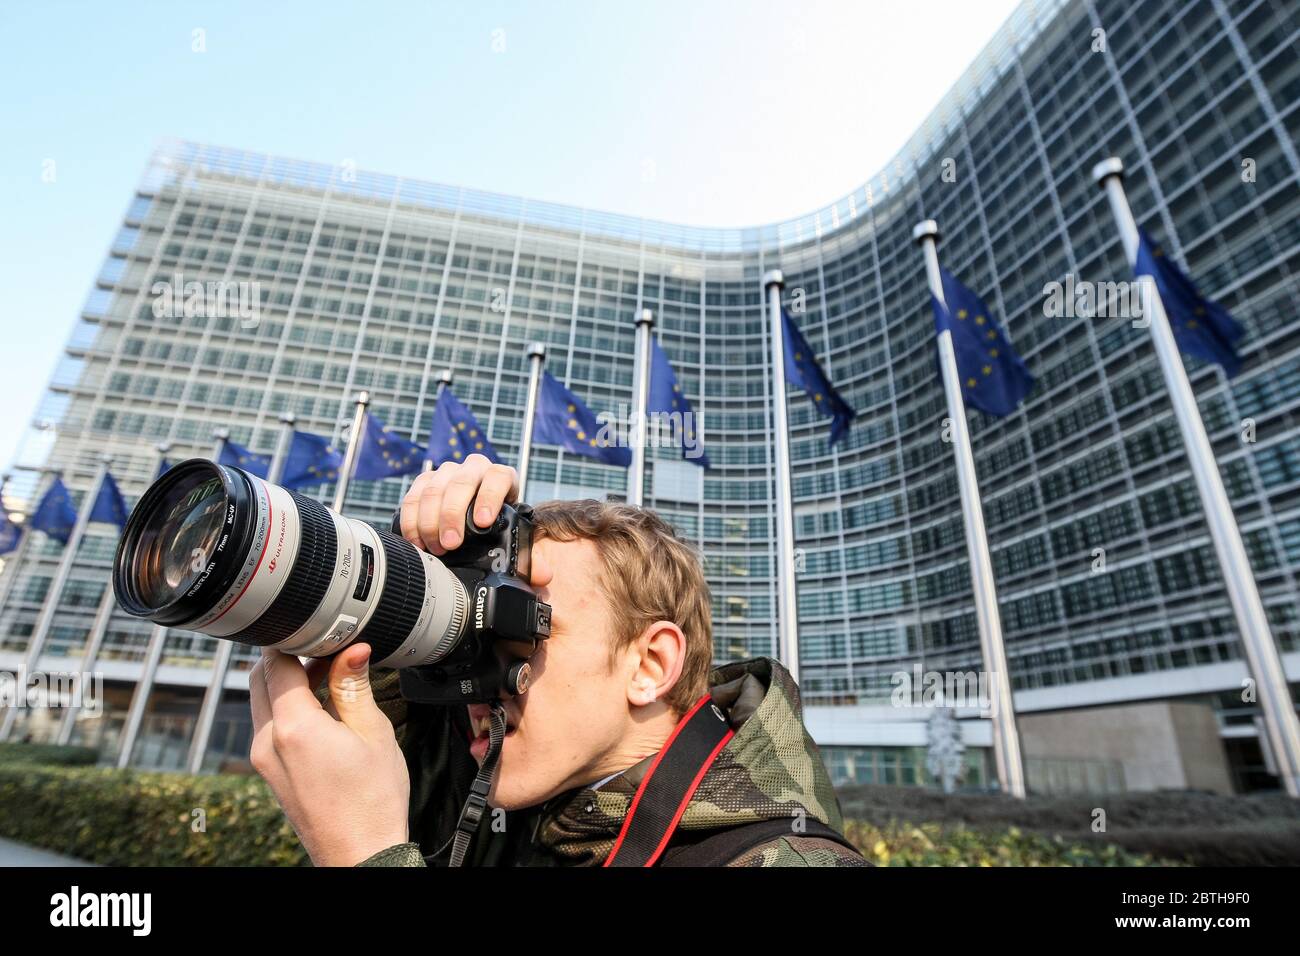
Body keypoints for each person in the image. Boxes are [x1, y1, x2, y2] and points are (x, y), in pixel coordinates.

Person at [249, 454, 866, 867]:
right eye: (475, 635)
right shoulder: (527, 812)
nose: (478, 688)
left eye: (521, 631)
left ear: (649, 665)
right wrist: (408, 585)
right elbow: (388, 767)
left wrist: (367, 856)